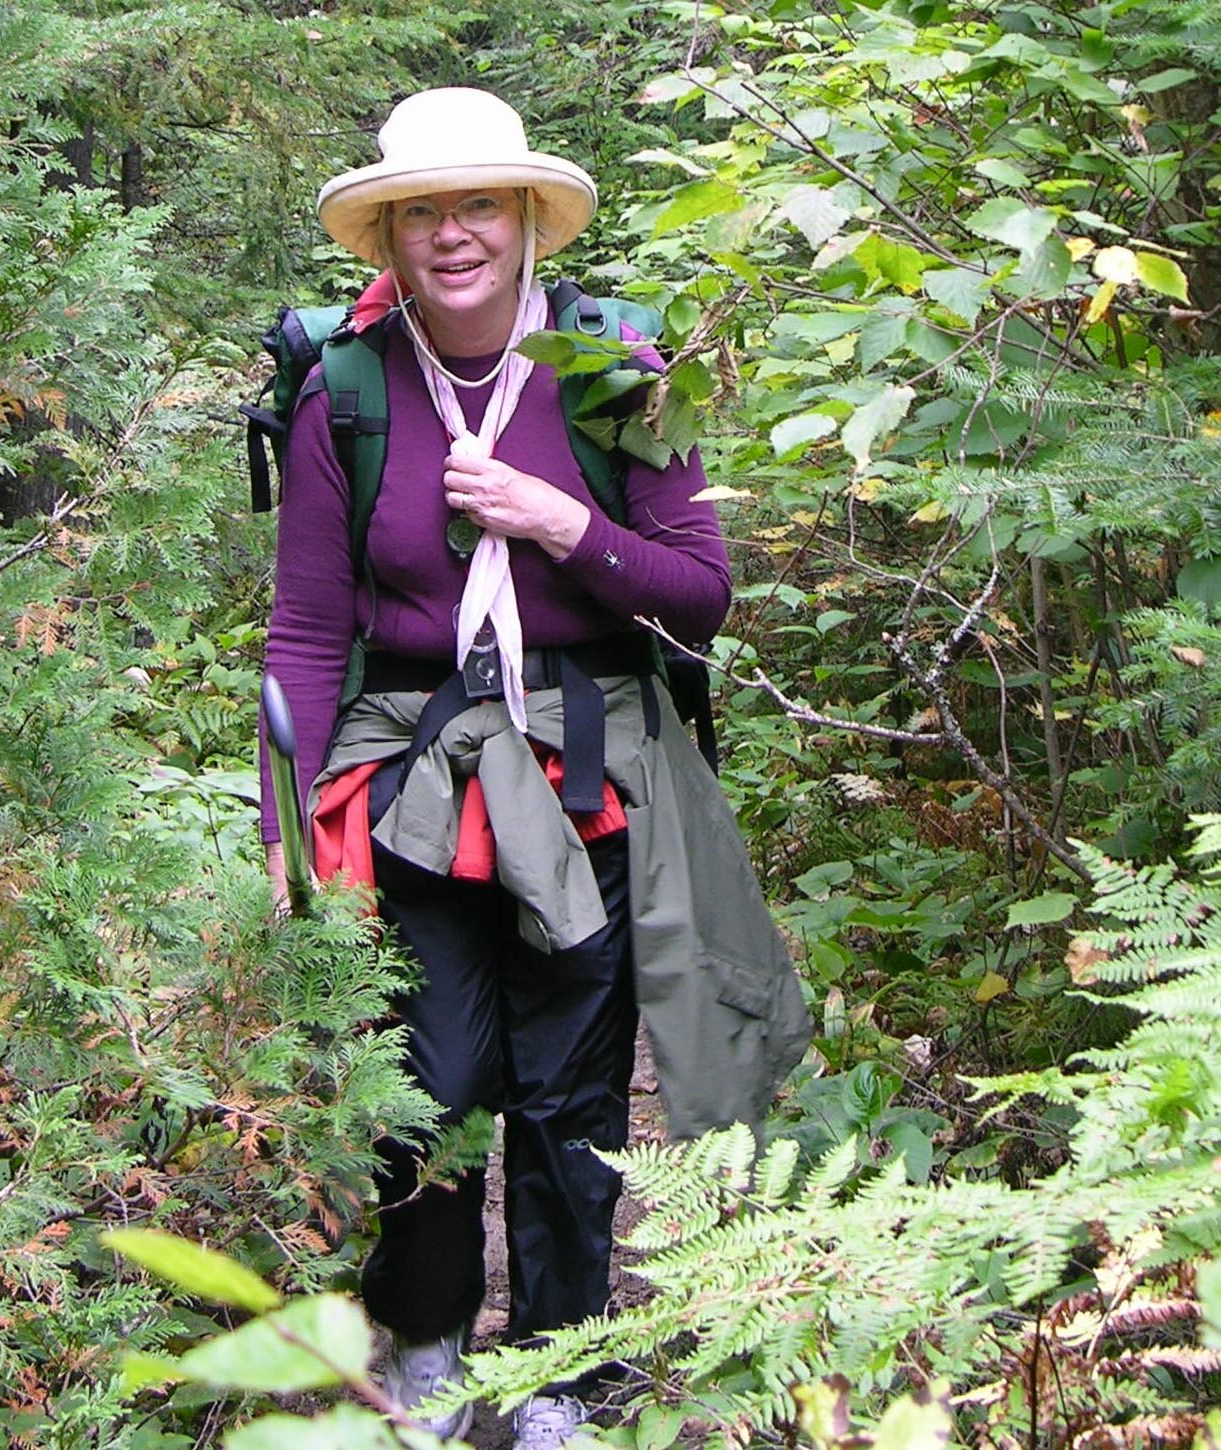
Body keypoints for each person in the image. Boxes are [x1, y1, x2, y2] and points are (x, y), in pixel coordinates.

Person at [260, 88, 809, 1449]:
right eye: (422, 212)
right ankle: (433, 1350)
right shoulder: (346, 385)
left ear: (521, 220)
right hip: (408, 781)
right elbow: (309, 624)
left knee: (571, 1084)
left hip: (588, 766)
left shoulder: (615, 367)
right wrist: (283, 829)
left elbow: (698, 595)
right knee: (428, 1078)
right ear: (387, 232)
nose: (453, 235)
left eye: (478, 206)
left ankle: (564, 1364)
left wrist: (559, 518)